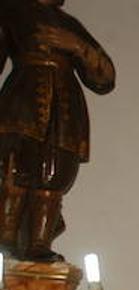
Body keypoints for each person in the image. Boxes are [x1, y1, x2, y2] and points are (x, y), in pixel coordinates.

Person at [0, 0, 115, 261]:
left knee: (55, 172)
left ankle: (39, 244)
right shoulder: (10, 10)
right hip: (24, 101)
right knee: (14, 166)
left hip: (64, 110)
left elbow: (105, 78)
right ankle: (6, 238)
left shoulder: (69, 25)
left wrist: (77, 46)